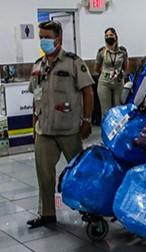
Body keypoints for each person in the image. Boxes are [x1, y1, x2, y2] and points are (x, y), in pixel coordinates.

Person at [27, 20, 94, 228]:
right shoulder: (38, 65)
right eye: (41, 37)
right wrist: (33, 125)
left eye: (47, 37)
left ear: (59, 38)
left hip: (69, 129)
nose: (43, 41)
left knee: (79, 173)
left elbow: (88, 91)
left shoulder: (73, 62)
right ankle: (47, 213)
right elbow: (35, 97)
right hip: (44, 130)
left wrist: (87, 120)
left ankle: (89, 210)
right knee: (44, 176)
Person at [95, 27, 128, 117]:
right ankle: (106, 130)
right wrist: (106, 73)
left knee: (119, 108)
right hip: (105, 82)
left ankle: (117, 130)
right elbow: (97, 69)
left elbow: (125, 67)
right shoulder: (101, 52)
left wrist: (120, 74)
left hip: (118, 82)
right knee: (106, 110)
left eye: (111, 35)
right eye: (106, 36)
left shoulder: (122, 51)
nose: (109, 37)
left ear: (115, 36)